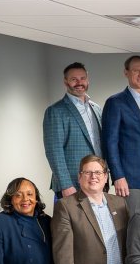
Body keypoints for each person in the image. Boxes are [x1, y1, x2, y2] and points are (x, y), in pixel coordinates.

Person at [101, 55, 140, 215]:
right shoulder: (116, 102)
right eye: (136, 70)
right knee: (131, 223)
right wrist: (118, 176)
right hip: (130, 178)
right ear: (126, 73)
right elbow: (110, 142)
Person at [44, 62, 103, 198]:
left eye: (82, 78)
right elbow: (54, 151)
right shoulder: (56, 111)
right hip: (72, 184)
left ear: (87, 80)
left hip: (96, 182)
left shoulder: (97, 109)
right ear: (66, 82)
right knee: (71, 220)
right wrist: (66, 185)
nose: (79, 82)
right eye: (73, 79)